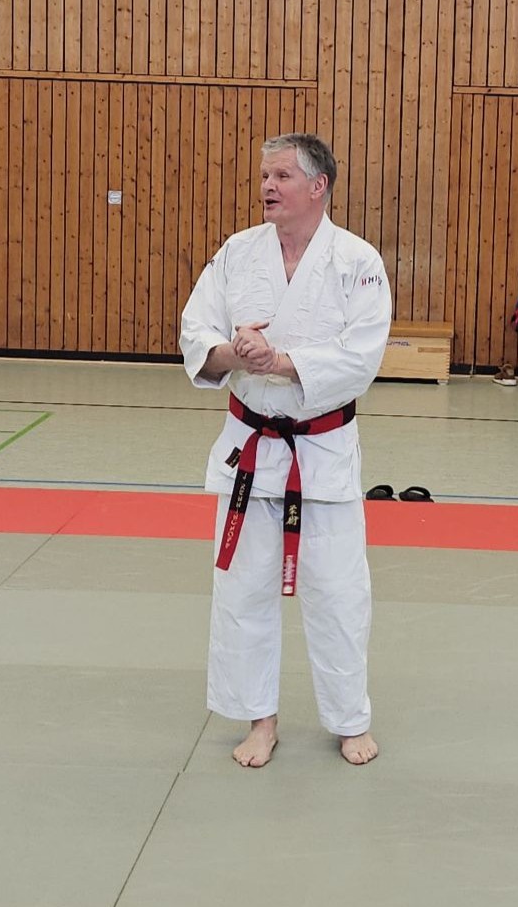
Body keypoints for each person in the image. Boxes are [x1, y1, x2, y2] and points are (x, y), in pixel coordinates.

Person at [178, 133, 392, 768]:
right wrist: (233, 353)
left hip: (322, 451)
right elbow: (196, 332)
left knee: (339, 594)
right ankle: (259, 720)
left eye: (281, 176)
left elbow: (362, 357)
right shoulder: (237, 253)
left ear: (317, 185)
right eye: (265, 176)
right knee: (242, 591)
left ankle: (350, 720)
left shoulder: (357, 261)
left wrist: (280, 361)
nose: (267, 186)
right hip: (249, 447)